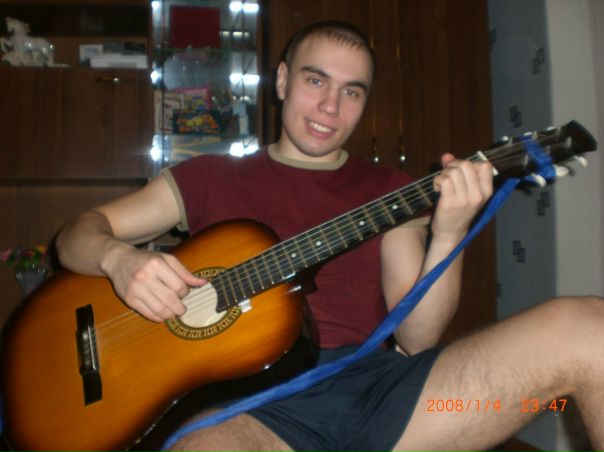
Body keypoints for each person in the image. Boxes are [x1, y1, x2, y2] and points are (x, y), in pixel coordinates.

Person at [56, 20, 604, 452]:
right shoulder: (207, 177)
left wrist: (449, 234)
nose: (329, 108)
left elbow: (418, 339)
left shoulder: (389, 191)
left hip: (384, 394)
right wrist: (118, 260)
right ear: (282, 81)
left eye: (352, 92)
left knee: (590, 328)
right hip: (246, 406)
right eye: (315, 80)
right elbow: (76, 235)